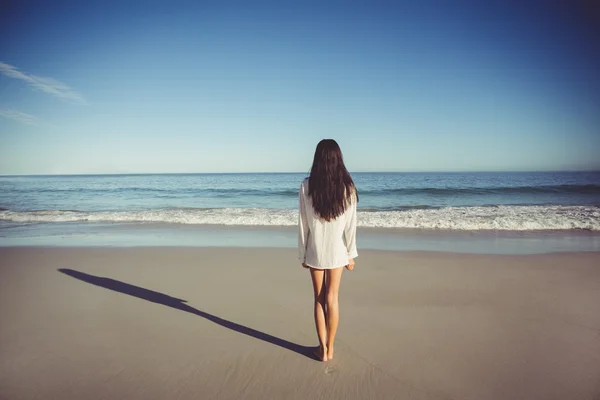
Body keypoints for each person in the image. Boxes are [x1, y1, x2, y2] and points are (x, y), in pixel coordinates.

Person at [298, 139, 358, 362]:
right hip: (338, 251)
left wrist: (302, 254)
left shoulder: (307, 185)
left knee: (319, 298)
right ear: (338, 159)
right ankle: (330, 348)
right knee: (333, 298)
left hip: (315, 250)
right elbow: (351, 224)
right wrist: (351, 253)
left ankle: (321, 348)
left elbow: (303, 224)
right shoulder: (348, 187)